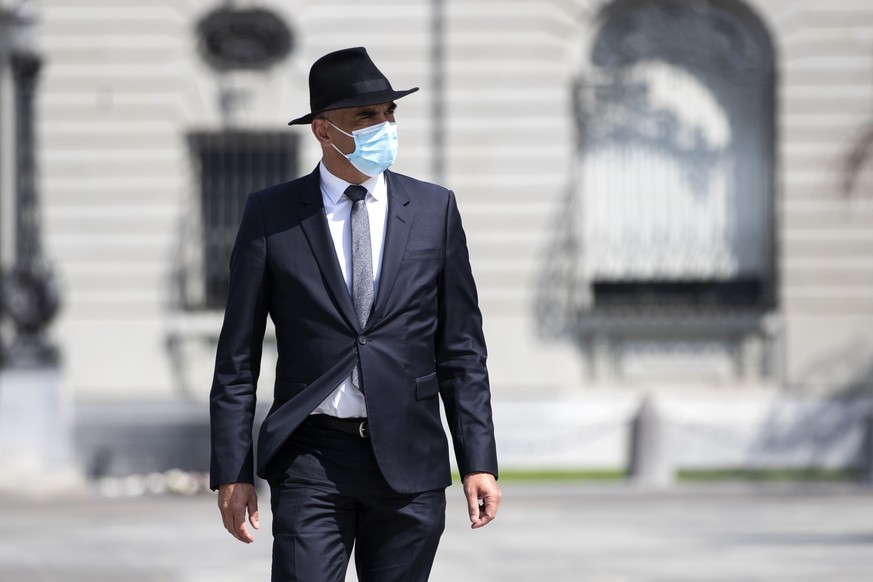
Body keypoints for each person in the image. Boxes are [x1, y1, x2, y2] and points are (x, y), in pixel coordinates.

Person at [209, 46, 501, 581]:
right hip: (311, 457)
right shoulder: (271, 215)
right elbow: (237, 358)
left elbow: (461, 349)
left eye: (389, 113)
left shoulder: (435, 210)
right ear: (323, 130)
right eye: (366, 116)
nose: (383, 125)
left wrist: (477, 459)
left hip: (410, 458)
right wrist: (233, 470)